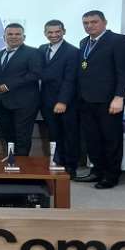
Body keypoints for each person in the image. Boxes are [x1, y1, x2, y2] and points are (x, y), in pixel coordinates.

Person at [75, 10, 125, 189]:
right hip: (86, 100)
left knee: (111, 139)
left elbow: (124, 72)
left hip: (109, 100)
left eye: (94, 22)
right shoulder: (84, 42)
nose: (89, 26)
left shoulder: (120, 40)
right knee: (92, 139)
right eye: (86, 23)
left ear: (105, 22)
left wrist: (119, 97)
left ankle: (111, 175)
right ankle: (97, 170)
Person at [38, 20, 80, 178]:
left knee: (69, 135)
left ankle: (71, 167)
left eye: (57, 32)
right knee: (54, 134)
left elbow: (70, 79)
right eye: (50, 32)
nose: (54, 35)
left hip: (65, 102)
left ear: (64, 31)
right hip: (46, 101)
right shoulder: (42, 49)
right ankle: (57, 162)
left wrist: (63, 101)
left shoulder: (72, 51)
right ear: (45, 33)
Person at [0, 23, 42, 156]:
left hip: (25, 103)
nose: (14, 37)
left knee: (22, 137)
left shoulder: (33, 52)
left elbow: (35, 74)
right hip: (3, 103)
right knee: (7, 135)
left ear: (23, 36)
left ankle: (21, 169)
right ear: (4, 37)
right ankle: (11, 163)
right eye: (10, 34)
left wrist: (9, 85)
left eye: (17, 34)